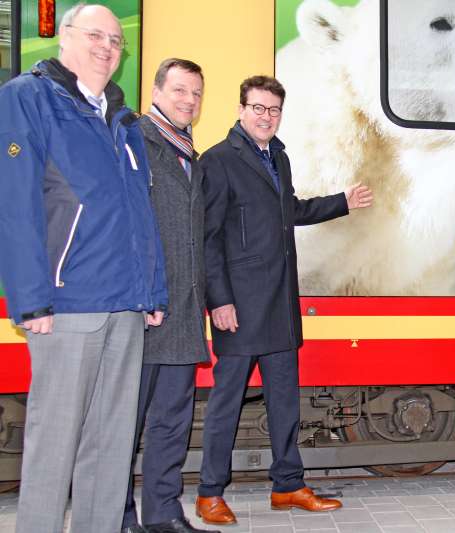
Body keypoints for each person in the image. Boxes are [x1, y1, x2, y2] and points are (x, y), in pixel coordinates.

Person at [0, 4, 167, 532]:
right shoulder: (26, 99)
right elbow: (15, 203)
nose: (107, 47)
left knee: (112, 445)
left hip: (125, 303)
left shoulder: (121, 118)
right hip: (67, 303)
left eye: (116, 40)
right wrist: (31, 299)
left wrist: (153, 293)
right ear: (64, 37)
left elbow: (141, 210)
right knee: (55, 445)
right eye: (95, 35)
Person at [194, 75, 373, 525]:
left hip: (278, 303)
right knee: (226, 404)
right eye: (258, 108)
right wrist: (219, 300)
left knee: (285, 401)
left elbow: (287, 211)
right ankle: (209, 492)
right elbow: (208, 238)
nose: (266, 116)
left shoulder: (278, 156)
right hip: (238, 307)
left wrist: (341, 202)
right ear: (241, 109)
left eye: (274, 110)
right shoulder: (218, 160)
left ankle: (288, 485)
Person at [121, 59, 218, 533]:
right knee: (124, 426)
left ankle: (163, 513)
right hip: (142, 314)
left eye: (196, 93)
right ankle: (119, 517)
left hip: (181, 313)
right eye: (179, 90)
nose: (189, 101)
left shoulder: (188, 154)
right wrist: (139, 296)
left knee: (171, 425)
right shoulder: (135, 140)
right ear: (156, 90)